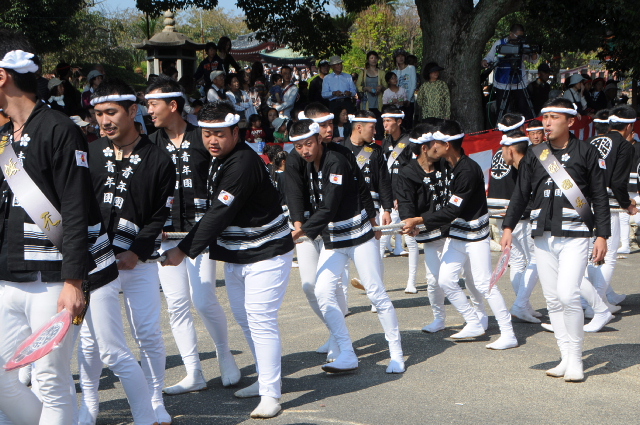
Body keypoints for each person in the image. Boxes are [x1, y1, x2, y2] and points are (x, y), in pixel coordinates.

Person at [0, 30, 123, 425]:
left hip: (53, 280)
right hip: (8, 277)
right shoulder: (4, 135)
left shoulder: (59, 129)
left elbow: (75, 207)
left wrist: (74, 280)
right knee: (3, 378)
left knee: (51, 380)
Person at [162, 101, 294, 419]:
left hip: (267, 251)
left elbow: (219, 212)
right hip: (238, 254)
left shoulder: (242, 163)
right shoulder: (217, 158)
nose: (212, 140)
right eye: (207, 134)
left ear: (236, 132)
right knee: (246, 318)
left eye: (220, 134)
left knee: (260, 319)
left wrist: (182, 250)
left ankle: (271, 394)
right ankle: (265, 379)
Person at [501, 98, 610, 381]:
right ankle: (565, 357)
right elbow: (521, 193)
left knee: (567, 295)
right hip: (543, 234)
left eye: (554, 117)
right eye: (545, 117)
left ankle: (576, 359)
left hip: (576, 234)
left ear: (571, 121)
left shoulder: (586, 151)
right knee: (552, 299)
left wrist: (602, 235)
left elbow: (599, 195)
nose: (547, 123)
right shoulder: (536, 153)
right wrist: (508, 227)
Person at [145, 77, 241, 396]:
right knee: (176, 304)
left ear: (173, 105)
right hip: (165, 234)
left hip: (201, 231)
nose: (149, 111)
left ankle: (225, 354)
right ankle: (193, 372)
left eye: (153, 104)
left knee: (203, 298)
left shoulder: (203, 137)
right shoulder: (151, 143)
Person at [87, 79, 176, 423]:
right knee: (92, 339)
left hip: (138, 262)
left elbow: (159, 213)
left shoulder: (158, 159)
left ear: (133, 111)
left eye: (111, 112)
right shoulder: (91, 152)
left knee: (148, 332)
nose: (104, 121)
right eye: (98, 114)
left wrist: (137, 252)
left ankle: (155, 399)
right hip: (96, 259)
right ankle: (88, 405)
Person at [289, 119, 405, 374]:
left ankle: (396, 353)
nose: (304, 151)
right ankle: (347, 353)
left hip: (358, 234)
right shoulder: (304, 162)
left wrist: (301, 231)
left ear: (318, 139)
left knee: (375, 292)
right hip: (333, 239)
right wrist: (299, 224)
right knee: (322, 292)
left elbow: (330, 206)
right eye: (298, 147)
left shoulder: (336, 160)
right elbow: (296, 192)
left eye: (308, 144)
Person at [402, 119, 518, 350]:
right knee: (445, 279)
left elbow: (452, 210)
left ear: (447, 145)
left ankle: (508, 333)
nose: (433, 145)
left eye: (436, 142)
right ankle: (473, 322)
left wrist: (420, 220)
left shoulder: (467, 170)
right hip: (457, 233)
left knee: (484, 283)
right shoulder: (447, 164)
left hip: (475, 235)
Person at [581, 105, 637, 321]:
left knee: (589, 254)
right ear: (629, 126)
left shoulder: (590, 141)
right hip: (607, 204)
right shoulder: (624, 145)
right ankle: (595, 304)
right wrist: (627, 204)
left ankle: (594, 300)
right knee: (607, 255)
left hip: (583, 202)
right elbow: (618, 182)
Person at [380, 105, 417, 289]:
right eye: (384, 121)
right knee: (381, 239)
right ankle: (376, 280)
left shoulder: (410, 142)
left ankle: (412, 281)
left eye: (388, 121)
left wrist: (404, 196)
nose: (385, 124)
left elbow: (413, 173)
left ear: (399, 121)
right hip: (389, 198)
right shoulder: (385, 142)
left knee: (410, 240)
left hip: (405, 198)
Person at [482, 24, 539, 120]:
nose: (519, 39)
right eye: (518, 36)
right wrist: (485, 61)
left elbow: (533, 60)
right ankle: (501, 125)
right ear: (511, 34)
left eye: (521, 36)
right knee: (502, 109)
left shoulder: (522, 44)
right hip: (502, 81)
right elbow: (490, 56)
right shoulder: (499, 43)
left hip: (519, 81)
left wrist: (533, 53)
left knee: (523, 108)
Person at [392, 49, 417, 128]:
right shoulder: (394, 72)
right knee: (399, 123)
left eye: (402, 56)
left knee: (408, 122)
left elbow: (413, 84)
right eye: (398, 56)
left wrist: (408, 99)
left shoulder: (411, 68)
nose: (400, 58)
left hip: (409, 100)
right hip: (398, 101)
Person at [359, 51, 384, 128]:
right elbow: (358, 86)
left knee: (378, 124)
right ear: (368, 60)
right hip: (366, 102)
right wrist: (366, 88)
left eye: (375, 58)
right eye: (371, 58)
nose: (374, 60)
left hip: (378, 103)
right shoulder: (363, 73)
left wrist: (380, 87)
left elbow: (386, 86)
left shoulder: (382, 73)